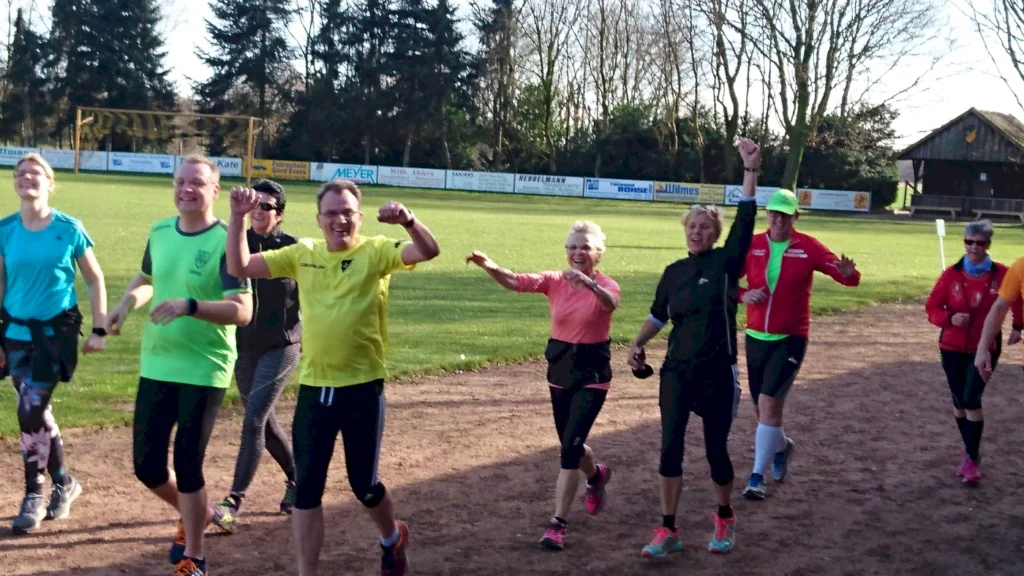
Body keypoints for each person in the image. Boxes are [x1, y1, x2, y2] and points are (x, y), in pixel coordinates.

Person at [224, 179, 440, 576]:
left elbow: (428, 250)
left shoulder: (376, 251)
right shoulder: (302, 253)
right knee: (307, 489)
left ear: (358, 217)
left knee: (365, 486)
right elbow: (239, 266)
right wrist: (238, 218)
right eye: (332, 213)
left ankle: (392, 536)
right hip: (315, 389)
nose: (340, 220)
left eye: (347, 213)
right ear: (319, 219)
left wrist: (408, 220)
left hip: (362, 387)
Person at [106, 155, 253, 576]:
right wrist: (124, 306)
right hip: (157, 363)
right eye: (180, 182)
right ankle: (200, 514)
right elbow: (148, 279)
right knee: (147, 467)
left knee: (188, 463)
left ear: (214, 191)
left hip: (204, 367)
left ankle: (196, 554)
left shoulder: (227, 240)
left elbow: (242, 311)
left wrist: (190, 306)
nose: (186, 189)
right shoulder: (159, 231)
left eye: (196, 183)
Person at [627, 137, 760, 560]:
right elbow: (658, 314)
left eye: (704, 227)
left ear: (714, 233)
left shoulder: (725, 263)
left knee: (716, 451)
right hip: (676, 371)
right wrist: (637, 343)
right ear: (684, 232)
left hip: (718, 371)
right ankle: (668, 529)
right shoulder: (674, 272)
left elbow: (745, 221)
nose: (697, 232)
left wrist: (750, 170)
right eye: (691, 227)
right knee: (669, 447)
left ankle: (724, 515)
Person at [466, 220, 620, 552]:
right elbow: (516, 281)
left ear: (598, 254)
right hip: (560, 370)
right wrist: (490, 265)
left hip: (592, 375)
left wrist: (590, 285)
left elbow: (610, 303)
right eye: (572, 247)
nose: (578, 253)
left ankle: (557, 524)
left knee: (569, 450)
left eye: (585, 247)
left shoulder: (607, 284)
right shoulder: (553, 280)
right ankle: (596, 475)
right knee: (570, 443)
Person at [0, 153, 107, 534]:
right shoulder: (5, 229)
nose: (27, 178)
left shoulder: (68, 228)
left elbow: (94, 279)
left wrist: (99, 329)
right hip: (14, 333)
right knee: (37, 413)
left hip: (55, 334)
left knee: (30, 408)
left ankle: (35, 493)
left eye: (36, 173)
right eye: (21, 173)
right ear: (15, 182)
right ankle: (66, 483)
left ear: (50, 183)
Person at [737, 188, 860, 501]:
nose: (778, 218)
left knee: (768, 405)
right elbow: (727, 282)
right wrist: (743, 295)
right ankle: (783, 447)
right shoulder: (753, 245)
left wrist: (849, 273)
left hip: (790, 338)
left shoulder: (808, 247)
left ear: (795, 216)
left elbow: (843, 274)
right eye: (773, 212)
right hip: (755, 337)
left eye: (784, 213)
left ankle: (756, 478)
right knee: (761, 410)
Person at [211, 179, 301, 533]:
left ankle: (233, 501)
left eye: (266, 207)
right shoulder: (236, 243)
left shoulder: (292, 248)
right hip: (244, 347)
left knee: (252, 419)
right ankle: (297, 480)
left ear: (278, 214)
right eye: (255, 205)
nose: (259, 211)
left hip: (283, 346)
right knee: (264, 420)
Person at [937, 221, 1021, 487]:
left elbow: (1015, 300)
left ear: (989, 245)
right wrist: (949, 318)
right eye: (968, 242)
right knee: (959, 402)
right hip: (951, 346)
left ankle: (972, 459)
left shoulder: (1004, 273)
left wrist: (1018, 325)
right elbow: (932, 309)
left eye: (980, 243)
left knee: (971, 399)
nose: (974, 247)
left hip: (985, 347)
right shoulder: (951, 274)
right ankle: (969, 451)